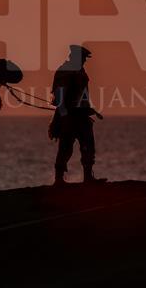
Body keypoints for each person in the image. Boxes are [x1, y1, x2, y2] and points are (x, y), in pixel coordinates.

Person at [49, 44, 106, 185]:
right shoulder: (66, 71)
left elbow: (82, 95)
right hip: (69, 116)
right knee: (65, 147)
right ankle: (59, 179)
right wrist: (64, 115)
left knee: (88, 145)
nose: (85, 61)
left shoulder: (80, 71)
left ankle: (88, 177)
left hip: (81, 116)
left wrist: (89, 109)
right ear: (75, 57)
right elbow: (59, 96)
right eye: (83, 58)